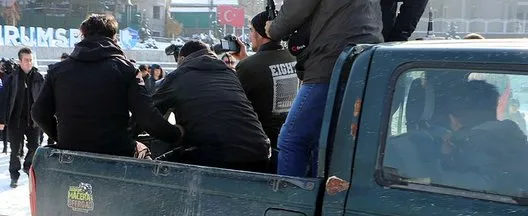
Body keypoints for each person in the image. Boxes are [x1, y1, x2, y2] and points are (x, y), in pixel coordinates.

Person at [32, 14, 183, 163]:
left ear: (83, 36)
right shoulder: (127, 70)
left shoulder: (57, 70)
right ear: (114, 37)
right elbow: (147, 117)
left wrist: (60, 137)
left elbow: (38, 113)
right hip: (116, 152)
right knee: (145, 154)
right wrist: (176, 135)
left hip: (70, 151)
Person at [266, 0, 383, 177]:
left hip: (331, 59)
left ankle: (290, 201)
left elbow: (294, 12)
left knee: (293, 139)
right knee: (326, 141)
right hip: (366, 55)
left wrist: (272, 28)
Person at [152, 41, 271, 172]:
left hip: (215, 155)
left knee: (156, 169)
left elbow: (147, 115)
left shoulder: (177, 76)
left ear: (181, 59)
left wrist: (175, 133)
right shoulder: (230, 74)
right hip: (260, 152)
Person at [231, 10, 299, 150]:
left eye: (251, 30)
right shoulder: (295, 57)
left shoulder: (248, 66)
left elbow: (233, 103)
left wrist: (244, 63)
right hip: (292, 134)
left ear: (259, 34)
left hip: (262, 140)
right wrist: (246, 59)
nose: (250, 36)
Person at [0, 47, 45, 188]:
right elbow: (4, 99)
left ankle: (28, 165)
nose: (29, 63)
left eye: (30, 60)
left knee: (35, 147)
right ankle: (14, 175)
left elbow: (43, 98)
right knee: (16, 150)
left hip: (33, 121)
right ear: (20, 61)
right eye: (26, 60)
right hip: (15, 120)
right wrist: (1, 120)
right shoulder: (12, 78)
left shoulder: (38, 77)